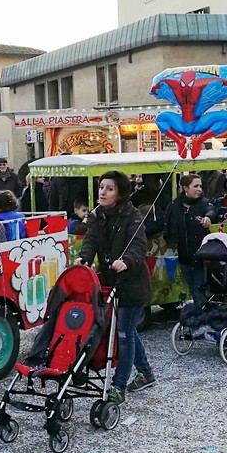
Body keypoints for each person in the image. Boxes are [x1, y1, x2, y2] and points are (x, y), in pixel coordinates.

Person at [76, 170, 155, 401]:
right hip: (110, 283)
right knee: (127, 331)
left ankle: (118, 386)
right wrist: (84, 258)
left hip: (132, 284)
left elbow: (138, 245)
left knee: (124, 334)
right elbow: (91, 240)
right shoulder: (97, 215)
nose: (103, 192)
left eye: (109, 189)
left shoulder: (133, 216)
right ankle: (146, 373)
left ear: (120, 194)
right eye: (102, 187)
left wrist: (126, 261)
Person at [163, 174, 214, 318]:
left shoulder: (204, 203)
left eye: (200, 186)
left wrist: (208, 218)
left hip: (200, 255)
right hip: (183, 255)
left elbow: (211, 210)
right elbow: (167, 224)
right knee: (191, 286)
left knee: (198, 287)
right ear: (185, 188)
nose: (199, 189)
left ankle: (205, 316)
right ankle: (203, 314)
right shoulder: (174, 205)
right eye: (195, 186)